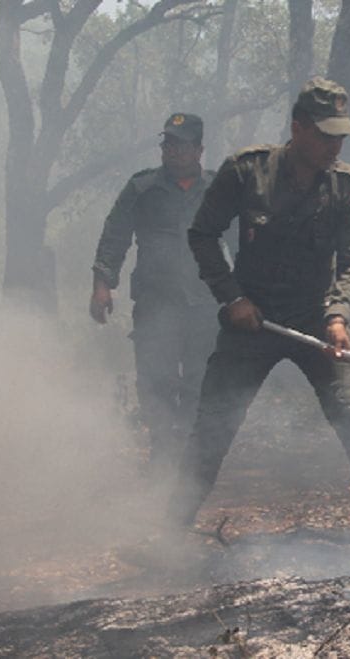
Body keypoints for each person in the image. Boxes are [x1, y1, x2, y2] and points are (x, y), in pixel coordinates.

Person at [173, 77, 350, 531]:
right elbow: (202, 234)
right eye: (325, 135)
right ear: (298, 129)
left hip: (316, 320)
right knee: (214, 426)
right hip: (251, 321)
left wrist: (339, 316)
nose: (334, 146)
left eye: (340, 136)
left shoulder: (348, 188)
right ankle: (169, 531)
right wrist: (232, 297)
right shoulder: (245, 171)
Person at [90, 113, 219, 471]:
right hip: (155, 304)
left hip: (205, 305)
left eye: (179, 144)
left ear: (198, 149)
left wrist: (245, 293)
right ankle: (162, 453)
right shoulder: (142, 188)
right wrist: (103, 284)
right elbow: (115, 236)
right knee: (156, 381)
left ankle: (192, 462)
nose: (171, 150)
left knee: (200, 383)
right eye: (167, 143)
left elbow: (241, 241)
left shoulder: (218, 189)